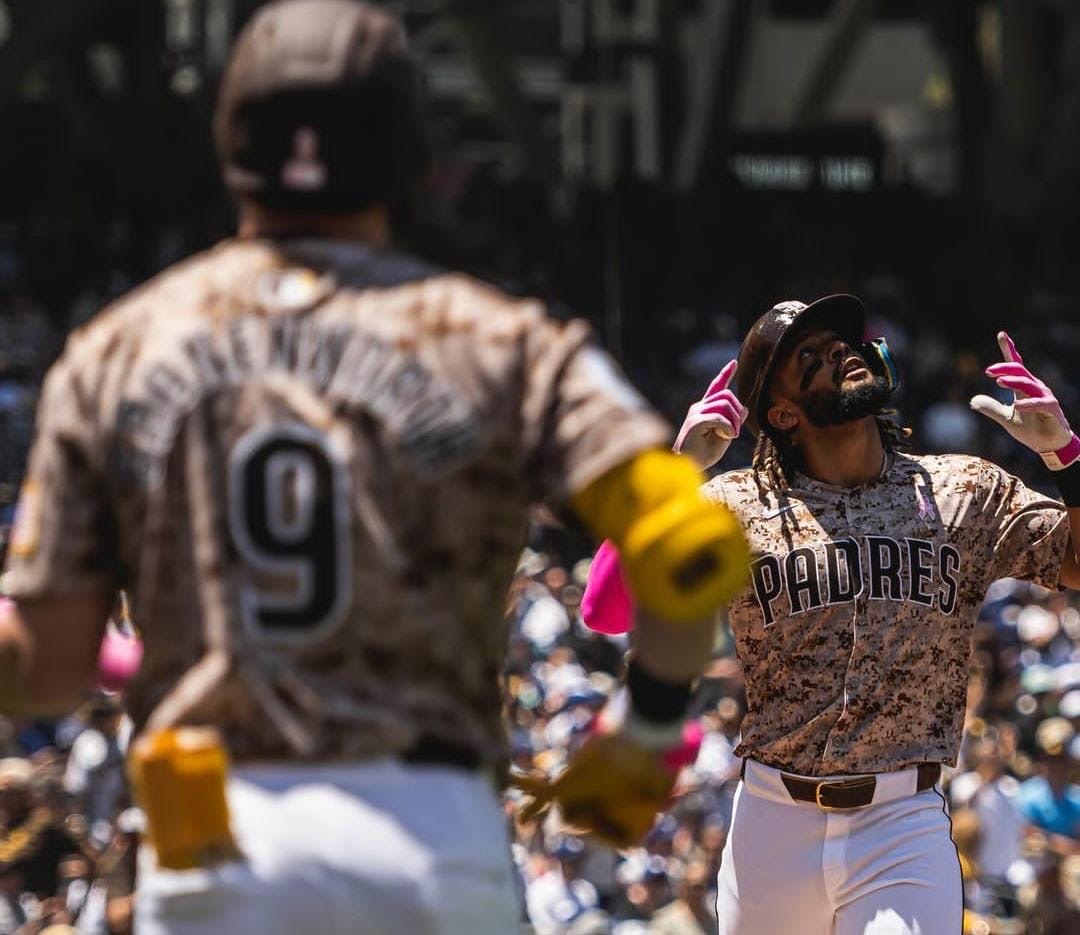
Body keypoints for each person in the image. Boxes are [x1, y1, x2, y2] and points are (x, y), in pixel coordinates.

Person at [0, 2, 749, 934]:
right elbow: (680, 546)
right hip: (435, 838)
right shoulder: (502, 339)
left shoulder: (116, 349)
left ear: (233, 138)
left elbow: (47, 660)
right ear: (408, 153)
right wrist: (644, 732)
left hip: (217, 841)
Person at [582, 294, 1080, 934]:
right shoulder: (734, 507)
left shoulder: (962, 490)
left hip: (901, 822)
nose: (840, 352)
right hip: (771, 821)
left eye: (844, 343)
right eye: (809, 356)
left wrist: (1066, 456)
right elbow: (604, 609)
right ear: (782, 411)